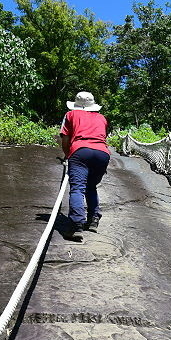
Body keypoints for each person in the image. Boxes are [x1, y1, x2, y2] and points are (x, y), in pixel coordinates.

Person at [59, 91, 110, 240]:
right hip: (102, 153)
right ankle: (93, 220)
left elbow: (66, 139)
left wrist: (68, 155)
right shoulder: (102, 118)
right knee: (91, 186)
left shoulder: (70, 115)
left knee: (77, 188)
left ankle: (76, 226)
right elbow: (101, 137)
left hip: (80, 151)